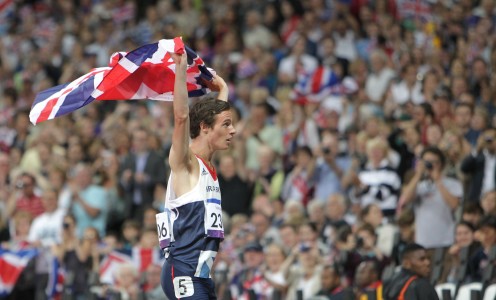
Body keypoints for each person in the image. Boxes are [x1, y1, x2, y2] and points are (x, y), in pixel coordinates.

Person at [160, 52, 235, 300]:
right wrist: (180, 71)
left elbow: (215, 117)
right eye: (227, 124)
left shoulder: (207, 164)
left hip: (201, 276)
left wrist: (223, 88)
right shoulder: (186, 163)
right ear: (204, 127)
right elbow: (182, 117)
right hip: (182, 272)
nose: (232, 130)